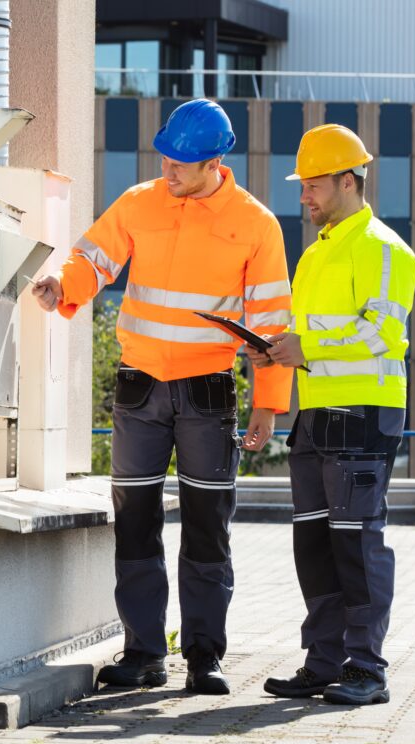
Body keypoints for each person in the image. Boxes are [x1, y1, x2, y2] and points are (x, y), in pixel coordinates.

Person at [31, 99, 292, 694]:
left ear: (216, 161)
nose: (170, 170)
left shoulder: (255, 224)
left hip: (208, 393)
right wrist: (62, 286)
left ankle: (204, 658)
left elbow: (273, 324)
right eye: (166, 158)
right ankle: (144, 653)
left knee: (207, 528)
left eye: (183, 163)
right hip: (139, 388)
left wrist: (268, 404)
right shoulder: (139, 202)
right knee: (136, 524)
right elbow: (93, 259)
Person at [248, 124, 415, 705]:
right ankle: (323, 663)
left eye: (314, 184)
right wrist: (276, 347)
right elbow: (315, 334)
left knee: (356, 543)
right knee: (315, 545)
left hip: (364, 417)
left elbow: (383, 334)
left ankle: (367, 669)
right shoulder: (318, 253)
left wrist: (306, 346)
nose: (304, 196)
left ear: (349, 181)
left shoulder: (386, 249)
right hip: (317, 415)